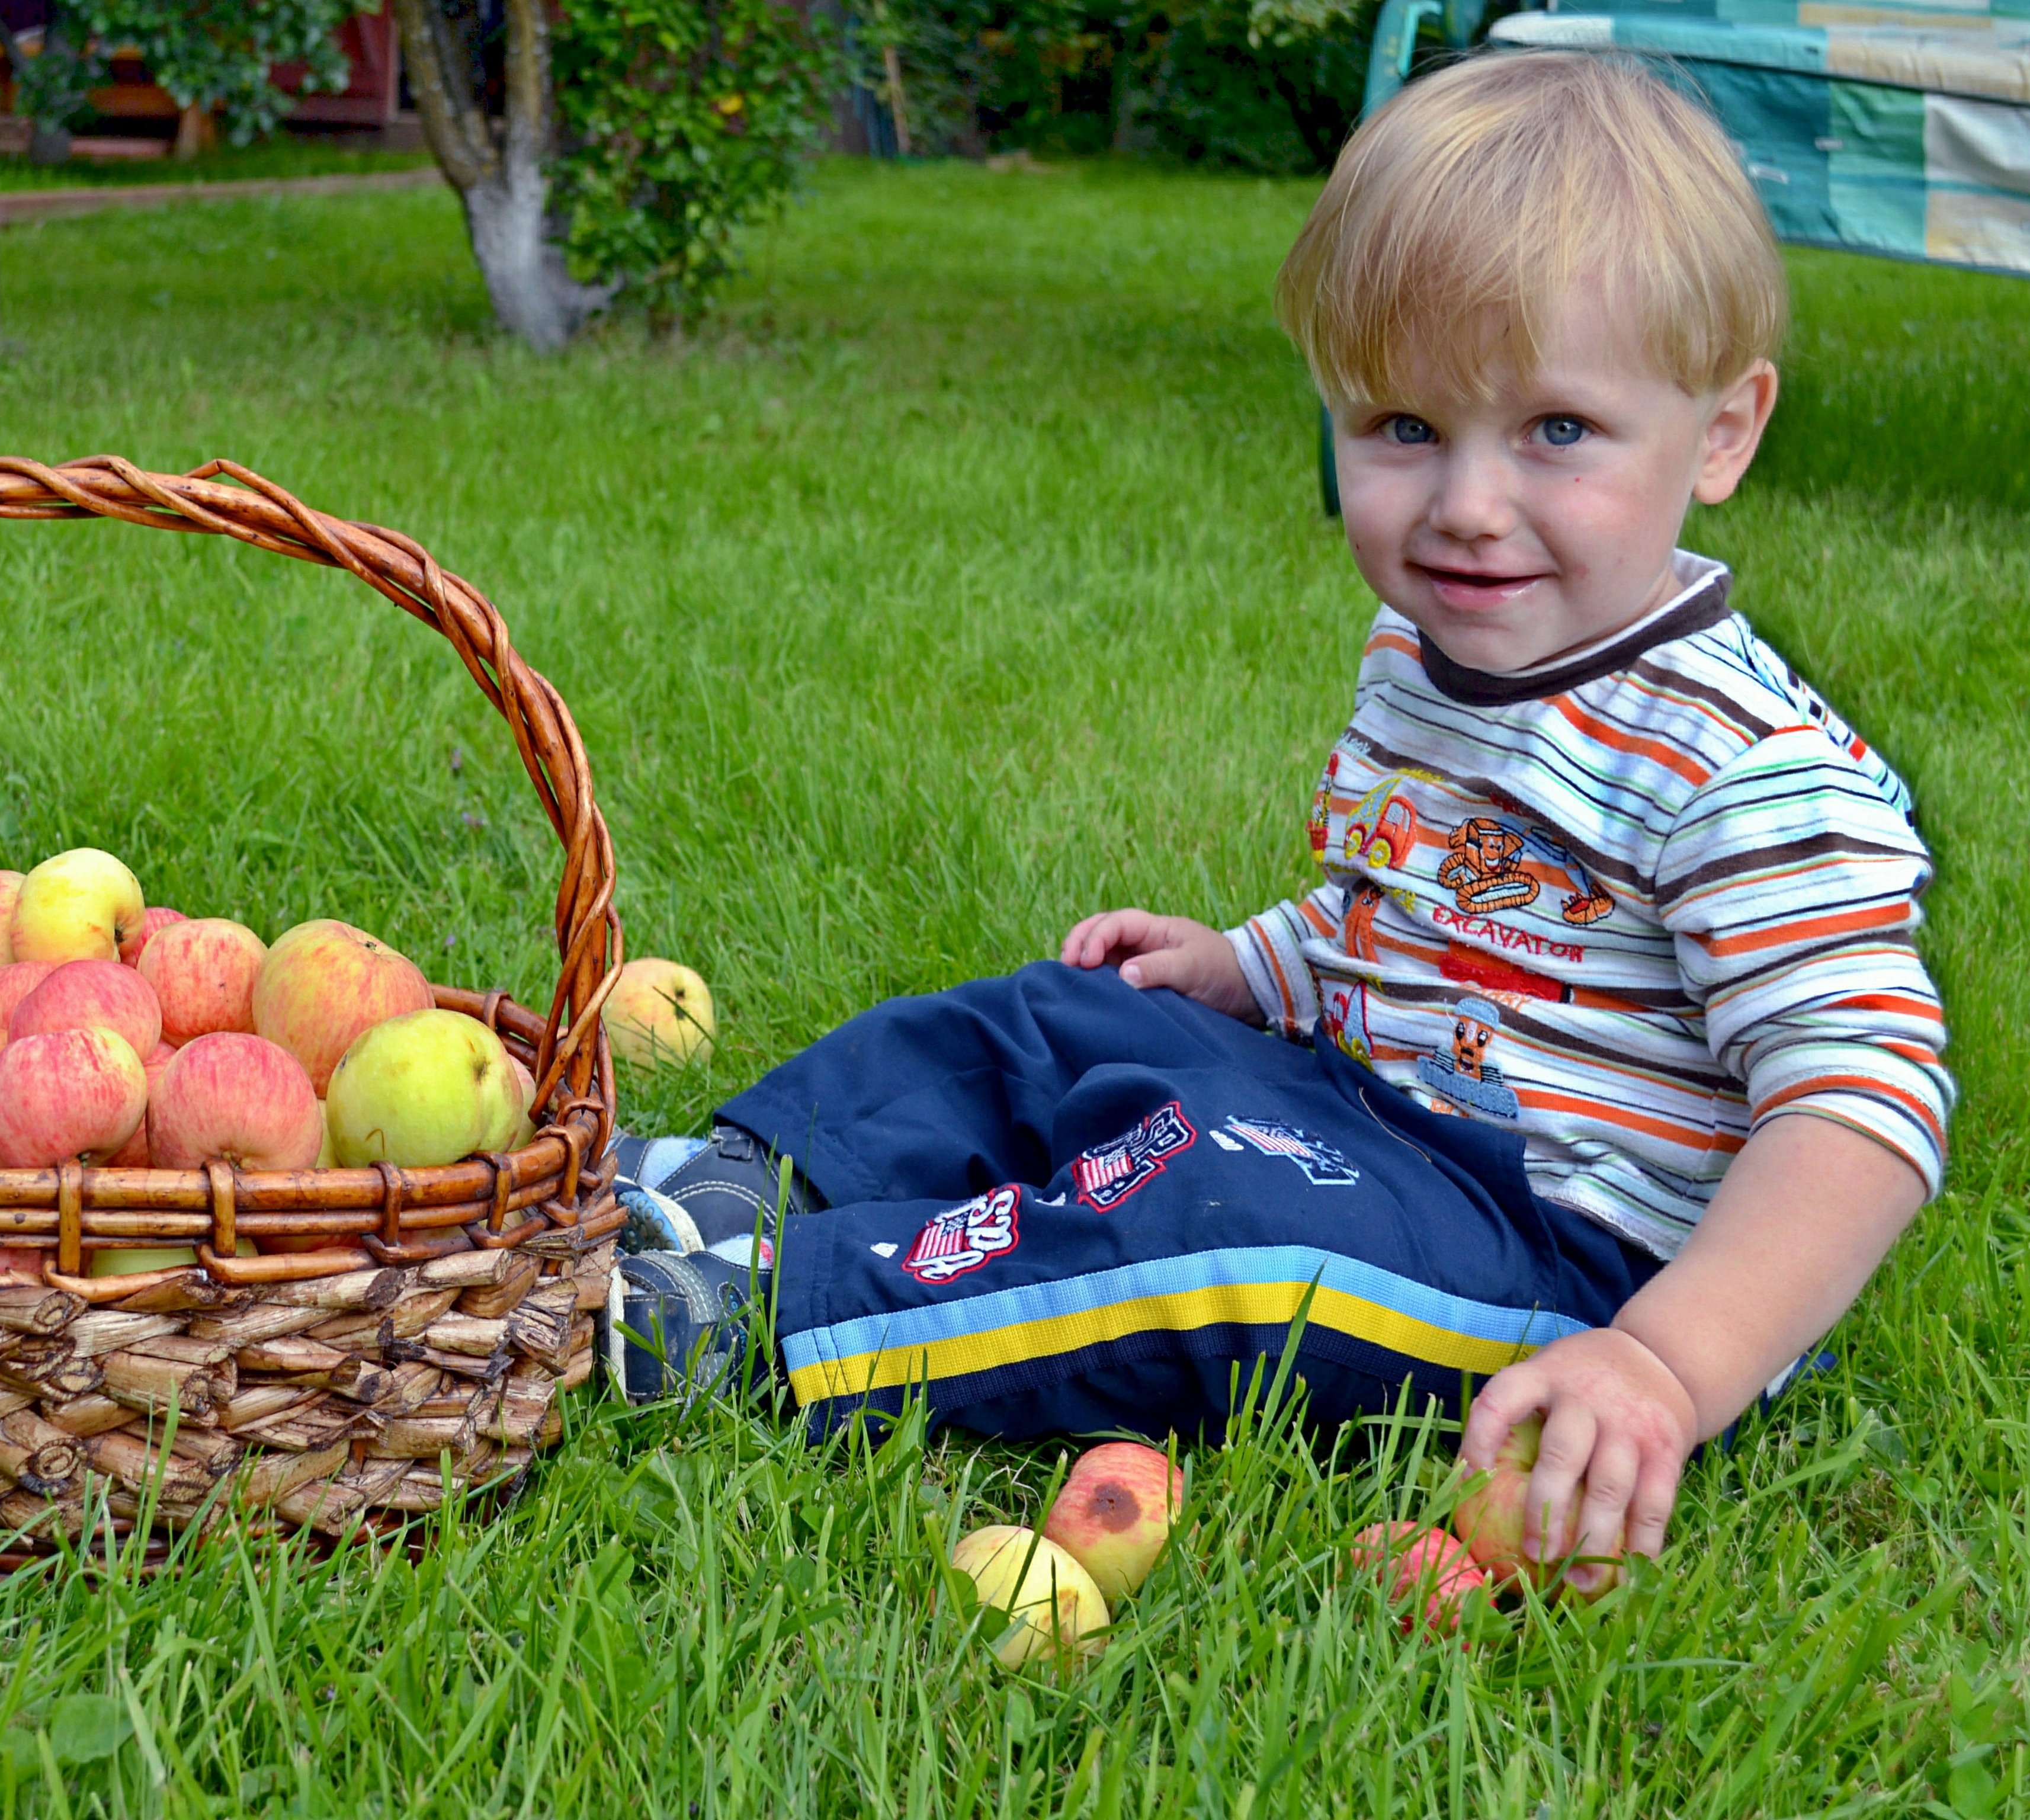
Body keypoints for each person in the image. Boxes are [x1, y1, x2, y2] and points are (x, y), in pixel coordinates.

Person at [601, 49, 1951, 1596]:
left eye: (1560, 432)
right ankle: (724, 1178)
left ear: (1720, 434)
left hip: (1565, 1257)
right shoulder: (1436, 650)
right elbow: (1413, 909)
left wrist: (1667, 1361)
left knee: (1222, 1217)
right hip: (1364, 1104)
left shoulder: (1745, 766)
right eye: (1402, 428)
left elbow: (1865, 1105)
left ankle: (761, 1313)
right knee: (1062, 1020)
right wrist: (1257, 966)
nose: (1467, 502)